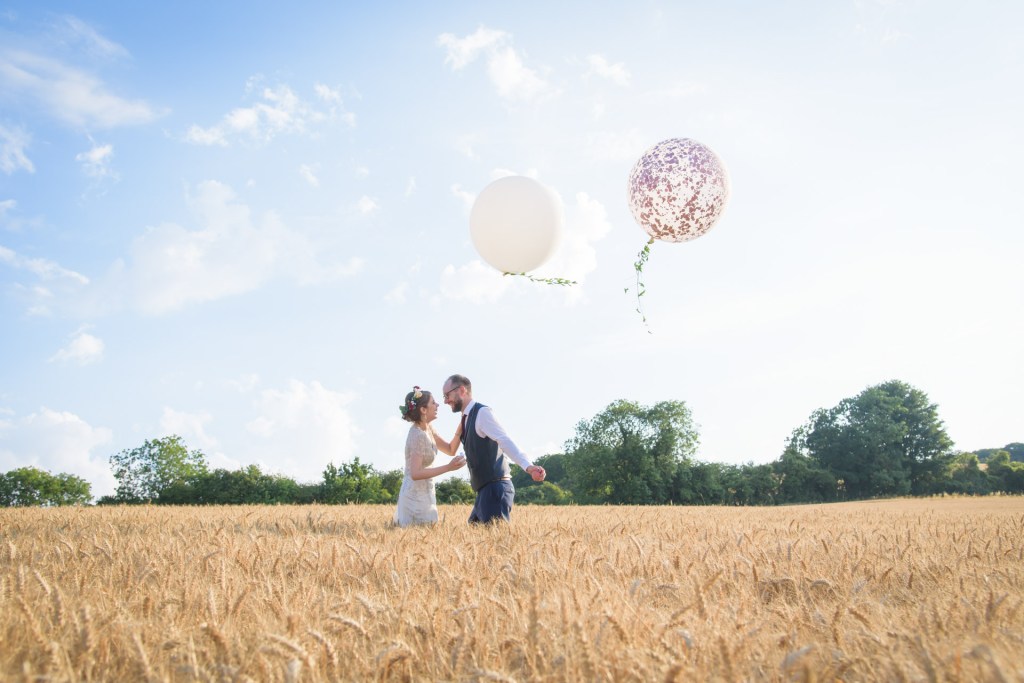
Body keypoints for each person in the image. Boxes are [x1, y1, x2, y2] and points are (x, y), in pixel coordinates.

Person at [441, 374, 545, 524]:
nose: (445, 401)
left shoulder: (482, 413)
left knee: (496, 544)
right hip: (485, 491)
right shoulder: (467, 417)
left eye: (447, 395)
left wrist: (528, 467)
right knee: (475, 541)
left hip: (495, 489)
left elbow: (504, 440)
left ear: (462, 390)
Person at [393, 386, 466, 527]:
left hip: (427, 494)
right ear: (423, 410)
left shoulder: (429, 428)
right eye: (433, 402)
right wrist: (448, 467)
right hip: (414, 498)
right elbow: (415, 473)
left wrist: (461, 428)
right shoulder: (417, 435)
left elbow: (450, 449)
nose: (438, 405)